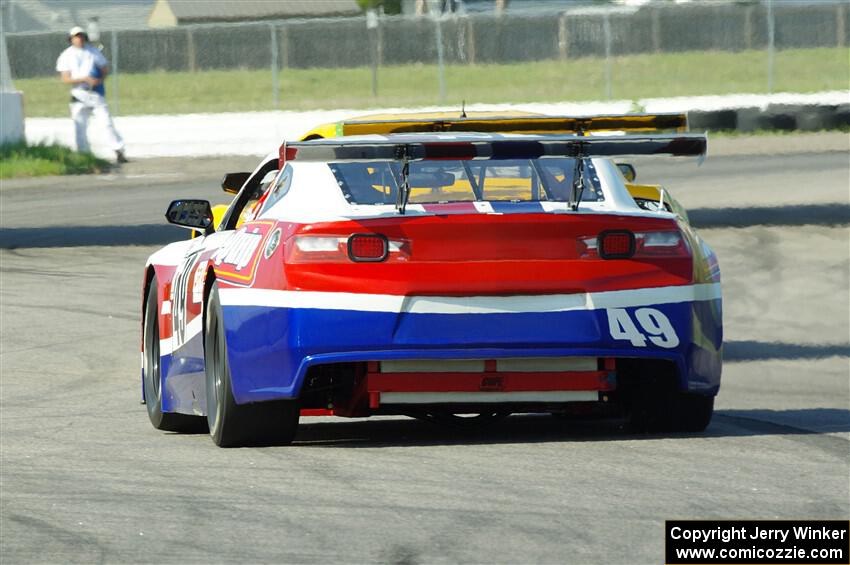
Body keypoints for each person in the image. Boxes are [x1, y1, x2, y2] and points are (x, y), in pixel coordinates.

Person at [55, 26, 127, 163]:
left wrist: (99, 80)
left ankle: (118, 150)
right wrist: (83, 79)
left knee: (106, 123)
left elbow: (104, 68)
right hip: (78, 93)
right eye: (76, 36)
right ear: (71, 39)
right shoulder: (66, 55)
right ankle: (84, 154)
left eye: (82, 36)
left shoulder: (93, 52)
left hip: (95, 93)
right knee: (80, 126)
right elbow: (65, 79)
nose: (80, 39)